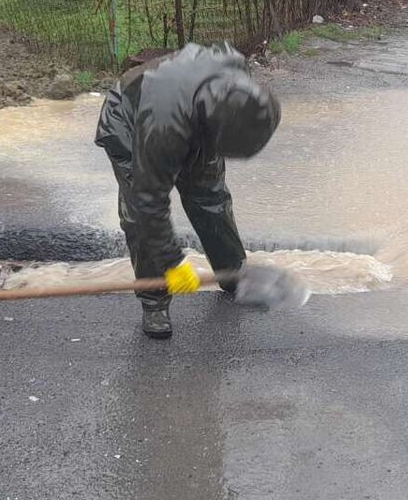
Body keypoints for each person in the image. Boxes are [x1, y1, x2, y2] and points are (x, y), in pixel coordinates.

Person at [95, 43, 281, 339]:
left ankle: (232, 273)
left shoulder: (235, 77)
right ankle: (154, 300)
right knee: (140, 222)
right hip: (131, 124)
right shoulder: (163, 125)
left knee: (211, 198)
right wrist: (172, 262)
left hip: (196, 121)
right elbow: (149, 201)